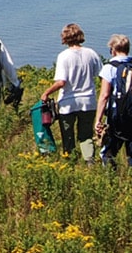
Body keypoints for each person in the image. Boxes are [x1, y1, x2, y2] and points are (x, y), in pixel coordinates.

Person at [37, 24, 103, 160]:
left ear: (65, 38)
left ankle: (70, 159)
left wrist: (46, 93)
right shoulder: (91, 53)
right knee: (86, 135)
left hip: (68, 103)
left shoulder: (64, 56)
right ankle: (89, 160)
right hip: (88, 101)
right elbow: (102, 76)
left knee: (67, 135)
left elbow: (61, 82)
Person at [92, 34, 132, 166]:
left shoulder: (109, 68)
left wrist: (98, 120)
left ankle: (110, 174)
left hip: (117, 115)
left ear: (113, 49)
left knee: (108, 150)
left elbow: (104, 95)